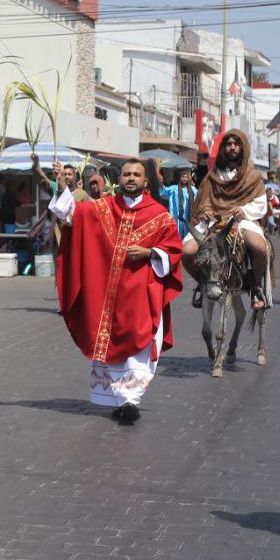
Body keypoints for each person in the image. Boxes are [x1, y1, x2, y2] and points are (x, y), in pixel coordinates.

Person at [51, 159, 183, 425]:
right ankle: (121, 400)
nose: (131, 178)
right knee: (108, 343)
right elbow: (71, 215)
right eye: (126, 174)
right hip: (107, 296)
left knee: (138, 342)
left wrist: (149, 253)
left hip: (141, 293)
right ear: (119, 179)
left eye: (136, 174)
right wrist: (61, 186)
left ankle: (130, 400)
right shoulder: (103, 209)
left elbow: (174, 251)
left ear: (146, 182)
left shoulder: (159, 215)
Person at [188, 130, 271, 309]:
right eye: (228, 144)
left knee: (259, 248)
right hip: (213, 221)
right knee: (186, 252)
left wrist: (244, 210)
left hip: (241, 220)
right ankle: (203, 283)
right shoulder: (212, 175)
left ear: (243, 147)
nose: (232, 147)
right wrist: (206, 210)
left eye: (236, 143)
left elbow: (260, 202)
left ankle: (255, 286)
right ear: (223, 148)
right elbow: (203, 201)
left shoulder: (253, 176)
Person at [164, 167, 197, 238]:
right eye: (183, 177)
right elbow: (162, 191)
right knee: (176, 236)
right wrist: (158, 180)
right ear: (180, 177)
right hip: (177, 218)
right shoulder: (173, 188)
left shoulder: (193, 190)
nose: (184, 179)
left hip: (188, 218)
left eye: (186, 177)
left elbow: (199, 199)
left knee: (187, 237)